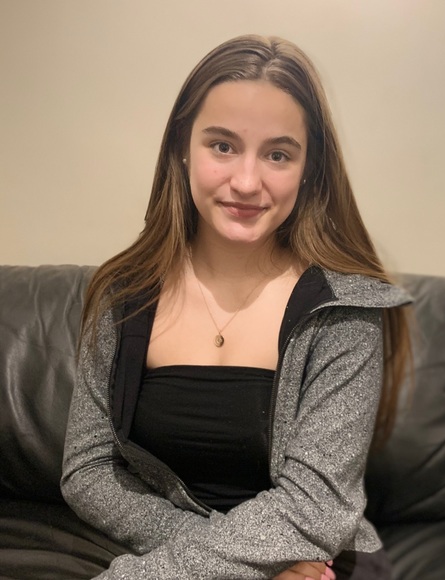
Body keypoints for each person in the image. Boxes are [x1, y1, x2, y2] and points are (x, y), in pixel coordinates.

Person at [61, 34, 412, 579]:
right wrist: (253, 564)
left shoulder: (344, 308)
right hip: (259, 560)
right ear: (182, 146)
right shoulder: (123, 294)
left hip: (318, 565)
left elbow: (315, 508)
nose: (246, 182)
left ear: (309, 167)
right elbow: (87, 470)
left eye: (278, 154)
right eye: (222, 146)